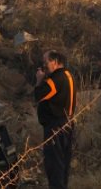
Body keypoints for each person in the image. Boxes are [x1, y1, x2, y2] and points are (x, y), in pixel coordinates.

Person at [34, 50, 76, 189]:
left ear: (55, 62)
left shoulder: (55, 79)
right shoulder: (68, 75)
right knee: (63, 164)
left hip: (55, 128)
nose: (43, 66)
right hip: (67, 124)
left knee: (54, 165)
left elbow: (39, 96)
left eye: (45, 63)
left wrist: (39, 81)